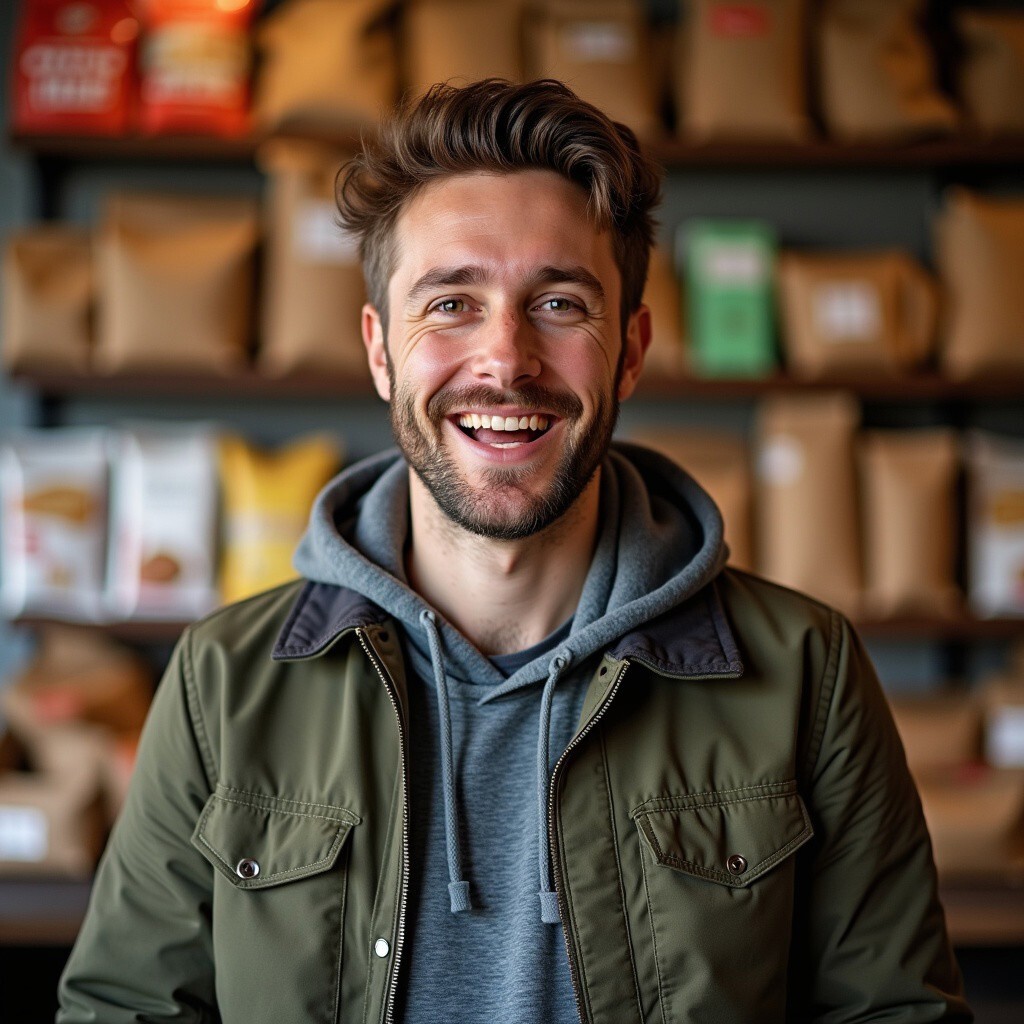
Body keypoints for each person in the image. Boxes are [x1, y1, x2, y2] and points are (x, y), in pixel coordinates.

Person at [58, 79, 971, 1024]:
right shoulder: (223, 683)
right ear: (380, 352)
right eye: (451, 303)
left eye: (561, 303)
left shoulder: (803, 673)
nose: (505, 358)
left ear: (629, 350)